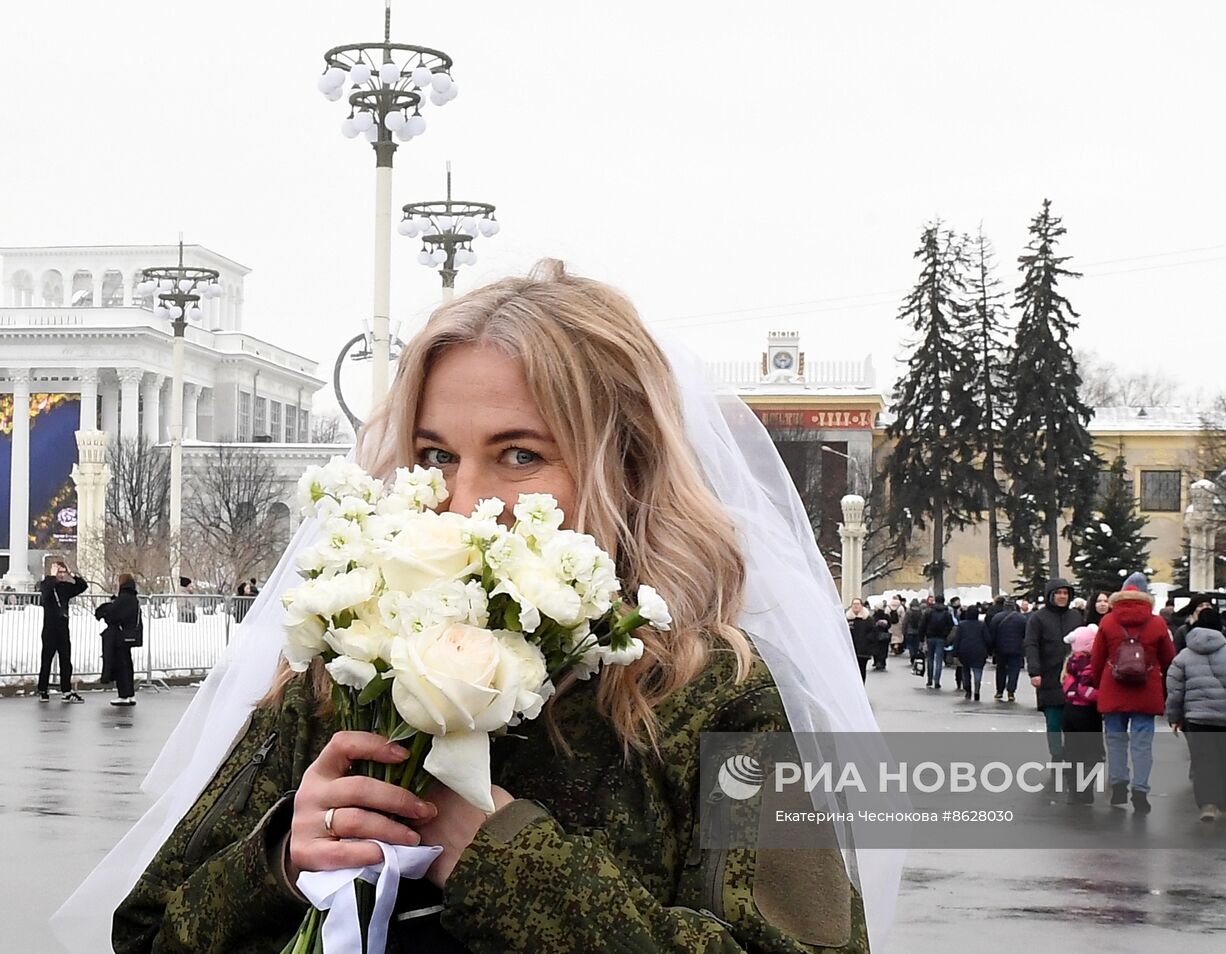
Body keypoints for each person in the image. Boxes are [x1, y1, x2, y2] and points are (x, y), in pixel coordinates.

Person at [91, 260, 887, 953]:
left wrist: (504, 860)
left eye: (519, 455)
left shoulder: (712, 695)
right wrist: (280, 866)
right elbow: (150, 931)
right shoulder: (344, 669)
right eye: (436, 455)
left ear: (627, 466)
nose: (462, 501)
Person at [1090, 573, 1175, 813]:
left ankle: (1118, 786)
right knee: (1142, 744)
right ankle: (1140, 791)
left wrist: (1101, 684)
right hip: (1146, 690)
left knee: (1115, 740)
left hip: (1113, 688)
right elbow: (1169, 660)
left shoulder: (1107, 621)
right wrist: (1165, 689)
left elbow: (1096, 660)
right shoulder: (1157, 623)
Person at [1165, 607, 1226, 822]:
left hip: (1196, 718)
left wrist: (1174, 716)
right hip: (1225, 719)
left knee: (1203, 760)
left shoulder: (1183, 657)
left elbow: (1175, 690)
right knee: (1225, 758)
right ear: (1220, 628)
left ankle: (1207, 803)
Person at [1024, 579, 1084, 761]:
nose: (1062, 596)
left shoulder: (1075, 616)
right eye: (1058, 593)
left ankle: (1072, 753)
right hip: (1049, 674)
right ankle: (1057, 754)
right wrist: (1034, 672)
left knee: (1073, 719)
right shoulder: (1038, 618)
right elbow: (1031, 644)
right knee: (1053, 719)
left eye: (1065, 593)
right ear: (1050, 595)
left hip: (1073, 674)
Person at [1060, 624, 1103, 805]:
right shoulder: (1091, 665)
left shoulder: (1070, 662)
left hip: (1069, 711)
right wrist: (1104, 696)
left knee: (1072, 751)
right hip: (1087, 713)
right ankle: (1085, 790)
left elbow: (1067, 685)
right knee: (1093, 753)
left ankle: (1073, 789)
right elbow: (1085, 689)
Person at [38, 561, 88, 702]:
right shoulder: (46, 584)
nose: (61, 575)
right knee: (46, 659)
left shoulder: (65, 587)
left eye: (62, 572)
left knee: (65, 660)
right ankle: (43, 689)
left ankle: (66, 690)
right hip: (49, 628)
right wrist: (51, 577)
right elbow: (45, 593)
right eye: (58, 572)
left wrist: (73, 574)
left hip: (63, 628)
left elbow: (82, 586)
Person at [96, 574, 141, 707]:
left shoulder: (124, 598)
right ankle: (130, 693)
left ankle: (123, 695)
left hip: (120, 636)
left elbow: (113, 616)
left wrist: (105, 611)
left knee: (121, 665)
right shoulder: (133, 598)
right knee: (127, 665)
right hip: (128, 635)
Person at [947, 605, 991, 701]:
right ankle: (977, 691)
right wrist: (989, 651)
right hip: (979, 651)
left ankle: (968, 690)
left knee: (965, 670)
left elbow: (957, 640)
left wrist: (955, 653)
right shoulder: (982, 625)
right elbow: (987, 639)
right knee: (978, 671)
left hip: (964, 650)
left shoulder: (962, 625)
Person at [990, 602, 1027, 702]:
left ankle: (999, 691)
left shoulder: (997, 617)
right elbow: (1025, 634)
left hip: (1000, 648)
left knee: (1001, 669)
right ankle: (1011, 691)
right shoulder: (1022, 618)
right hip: (1017, 648)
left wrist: (992, 648)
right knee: (1014, 670)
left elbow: (992, 634)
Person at [921, 594, 955, 689]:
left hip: (930, 637)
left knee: (930, 658)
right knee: (939, 660)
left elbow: (923, 625)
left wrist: (921, 637)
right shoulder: (946, 613)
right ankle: (937, 681)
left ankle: (929, 679)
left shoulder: (929, 611)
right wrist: (946, 634)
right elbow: (951, 625)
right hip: (941, 638)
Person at [849, 597, 878, 682]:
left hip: (863, 651)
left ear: (861, 606)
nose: (856, 606)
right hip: (851, 650)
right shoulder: (848, 619)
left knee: (862, 670)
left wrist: (867, 642)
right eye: (854, 604)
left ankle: (861, 687)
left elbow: (874, 633)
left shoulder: (868, 619)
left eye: (858, 604)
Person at [869, 599, 893, 672]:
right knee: (883, 650)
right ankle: (882, 662)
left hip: (876, 635)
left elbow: (872, 625)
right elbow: (889, 625)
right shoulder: (886, 616)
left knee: (876, 649)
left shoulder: (874, 616)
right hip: (884, 636)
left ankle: (877, 662)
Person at [904, 596, 926, 674]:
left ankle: (912, 655)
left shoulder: (909, 611)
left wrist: (904, 630)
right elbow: (923, 622)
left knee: (910, 645)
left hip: (910, 631)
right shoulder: (921, 612)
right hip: (918, 631)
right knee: (916, 645)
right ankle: (915, 654)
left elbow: (905, 622)